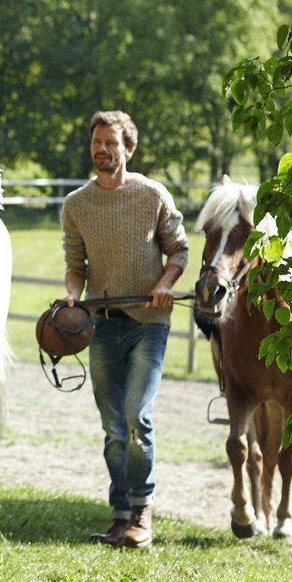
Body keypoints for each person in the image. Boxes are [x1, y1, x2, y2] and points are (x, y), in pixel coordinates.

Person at [60, 110, 188, 549]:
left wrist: (164, 286)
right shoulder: (76, 205)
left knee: (137, 416)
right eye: (97, 142)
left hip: (149, 325)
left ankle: (141, 512)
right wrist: (73, 296)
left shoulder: (152, 195)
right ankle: (120, 515)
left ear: (128, 149)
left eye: (111, 143)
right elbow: (75, 267)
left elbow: (179, 251)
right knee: (114, 428)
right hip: (103, 327)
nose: (102, 149)